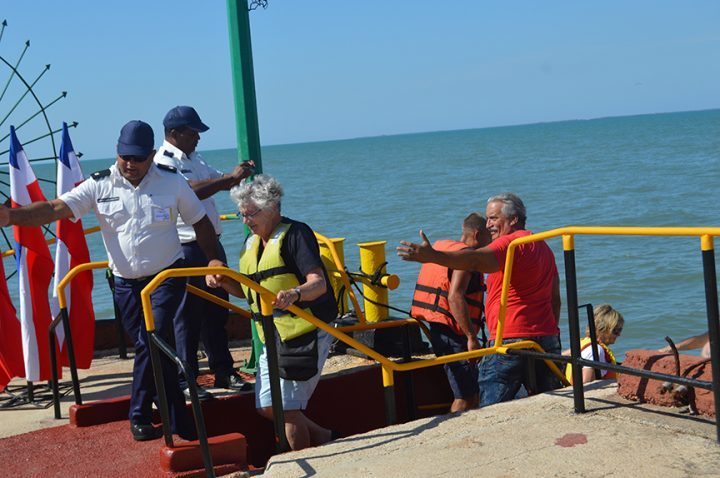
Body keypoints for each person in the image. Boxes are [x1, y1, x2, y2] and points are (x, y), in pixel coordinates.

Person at [0, 120, 223, 442]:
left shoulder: (173, 183)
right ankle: (159, 413)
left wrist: (213, 258)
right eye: (124, 157)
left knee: (155, 338)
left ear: (150, 155)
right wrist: (10, 217)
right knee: (153, 347)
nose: (130, 164)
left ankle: (161, 419)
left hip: (165, 277)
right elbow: (54, 208)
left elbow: (200, 223)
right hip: (125, 283)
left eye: (137, 158)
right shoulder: (99, 184)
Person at [207, 174, 338, 451]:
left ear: (272, 207)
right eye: (241, 215)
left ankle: (301, 460)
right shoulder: (251, 244)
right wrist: (223, 279)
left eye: (251, 214)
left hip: (305, 332)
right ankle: (324, 436)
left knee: (286, 409)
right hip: (271, 335)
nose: (246, 221)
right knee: (268, 406)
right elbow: (248, 292)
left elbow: (318, 284)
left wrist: (295, 294)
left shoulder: (296, 235)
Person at [398, 192, 562, 406]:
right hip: (547, 338)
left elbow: (475, 260)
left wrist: (434, 257)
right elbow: (555, 299)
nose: (489, 224)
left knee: (489, 410)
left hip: (511, 340)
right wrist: (549, 330)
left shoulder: (509, 244)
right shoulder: (543, 247)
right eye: (488, 219)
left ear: (513, 220)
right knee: (549, 404)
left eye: (494, 218)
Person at [155, 105, 254, 400]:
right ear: (174, 134)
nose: (198, 138)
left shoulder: (193, 157)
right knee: (187, 316)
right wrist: (229, 179)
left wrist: (236, 177)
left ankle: (223, 369)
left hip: (210, 244)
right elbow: (191, 190)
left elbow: (216, 179)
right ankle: (186, 378)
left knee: (216, 311)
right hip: (186, 247)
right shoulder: (163, 162)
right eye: (193, 132)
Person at [409, 212, 491, 412]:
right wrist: (471, 336)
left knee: (470, 391)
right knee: (465, 397)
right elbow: (455, 297)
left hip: (440, 328)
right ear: (478, 234)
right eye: (490, 236)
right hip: (452, 334)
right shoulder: (464, 259)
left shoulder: (445, 250)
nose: (492, 242)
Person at [563, 304, 624, 384]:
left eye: (620, 330)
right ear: (601, 329)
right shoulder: (595, 351)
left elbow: (562, 356)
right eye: (615, 331)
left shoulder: (583, 343)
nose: (619, 334)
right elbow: (585, 385)